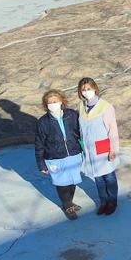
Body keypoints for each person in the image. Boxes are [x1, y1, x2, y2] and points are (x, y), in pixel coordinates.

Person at [33, 90, 84, 220]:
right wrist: (41, 164)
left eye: (55, 101)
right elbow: (39, 144)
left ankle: (69, 202)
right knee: (61, 183)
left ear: (61, 101)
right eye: (49, 102)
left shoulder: (72, 115)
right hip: (54, 157)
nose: (52, 104)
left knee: (72, 181)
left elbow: (81, 132)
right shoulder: (43, 122)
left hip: (73, 153)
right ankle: (68, 206)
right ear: (46, 105)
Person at [77, 77, 120, 215]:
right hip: (89, 148)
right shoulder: (81, 106)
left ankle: (112, 202)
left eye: (88, 89)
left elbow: (112, 130)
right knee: (97, 178)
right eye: (83, 90)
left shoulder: (105, 107)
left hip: (103, 146)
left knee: (109, 177)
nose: (86, 92)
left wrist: (113, 149)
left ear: (95, 88)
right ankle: (103, 201)